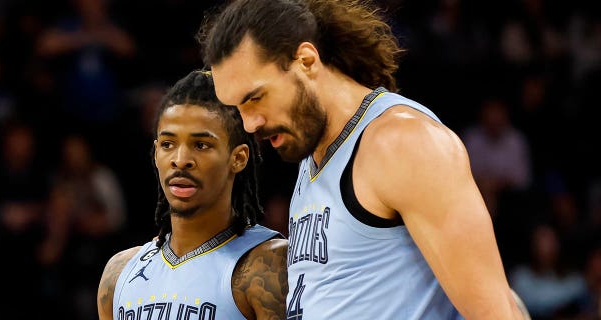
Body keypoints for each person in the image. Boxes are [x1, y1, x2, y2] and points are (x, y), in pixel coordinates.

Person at [198, 0, 530, 318]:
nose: (249, 124)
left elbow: (498, 311)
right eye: (238, 108)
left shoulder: (400, 143)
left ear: (307, 61)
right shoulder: (312, 158)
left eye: (255, 98)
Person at [96, 70, 288, 320]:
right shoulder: (118, 273)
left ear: (238, 158)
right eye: (168, 144)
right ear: (155, 154)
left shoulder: (267, 264)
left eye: (201, 145)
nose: (180, 160)